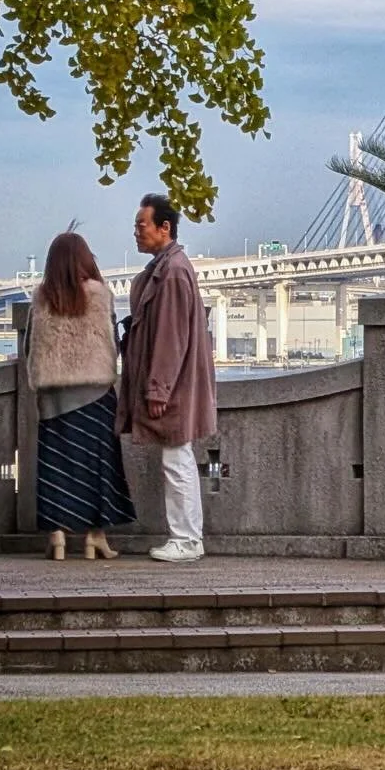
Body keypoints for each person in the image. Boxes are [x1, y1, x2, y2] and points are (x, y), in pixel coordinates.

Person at [116, 192, 217, 562]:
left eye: (142, 225)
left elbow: (171, 337)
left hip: (173, 386)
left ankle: (187, 538)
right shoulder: (167, 267)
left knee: (177, 458)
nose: (136, 232)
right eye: (135, 226)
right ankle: (186, 536)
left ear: (165, 227)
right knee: (178, 457)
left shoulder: (172, 272)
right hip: (175, 383)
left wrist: (158, 389)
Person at [25, 230, 136, 559]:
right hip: (95, 393)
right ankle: (94, 536)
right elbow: (112, 344)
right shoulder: (100, 296)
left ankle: (57, 537)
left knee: (56, 464)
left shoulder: (42, 298)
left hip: (54, 397)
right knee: (98, 463)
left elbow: (30, 346)